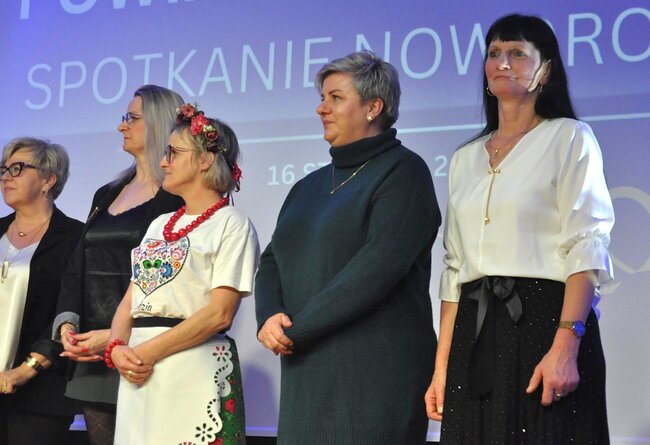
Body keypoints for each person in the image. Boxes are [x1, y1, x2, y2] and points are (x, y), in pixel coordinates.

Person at [424, 14, 614, 444]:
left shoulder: (570, 137)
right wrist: (441, 368)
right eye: (494, 53)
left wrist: (567, 344)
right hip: (475, 331)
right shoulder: (465, 158)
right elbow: (455, 270)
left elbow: (587, 244)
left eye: (517, 53)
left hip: (546, 322)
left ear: (545, 70)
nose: (502, 62)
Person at [255, 51, 441, 444]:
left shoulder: (404, 172)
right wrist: (269, 315)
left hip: (374, 378)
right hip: (307, 375)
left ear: (374, 107)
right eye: (322, 98)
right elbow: (272, 259)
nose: (321, 108)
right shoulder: (306, 186)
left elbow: (376, 269)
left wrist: (298, 329)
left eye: (336, 98)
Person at [109, 103, 259, 445]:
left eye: (173, 153)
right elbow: (130, 301)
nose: (164, 162)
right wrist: (117, 347)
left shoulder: (231, 224)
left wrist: (146, 352)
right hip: (139, 371)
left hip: (190, 369)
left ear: (205, 159)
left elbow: (220, 313)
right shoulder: (159, 224)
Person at [54, 85, 184, 445]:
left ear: (159, 123)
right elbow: (77, 265)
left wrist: (115, 336)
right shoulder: (107, 193)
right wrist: (68, 324)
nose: (121, 126)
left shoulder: (176, 197)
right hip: (91, 354)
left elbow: (169, 280)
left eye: (132, 118)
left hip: (142, 348)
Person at [0, 138, 83, 445]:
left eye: (18, 168)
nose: (6, 177)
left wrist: (26, 369)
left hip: (41, 393)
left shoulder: (75, 237)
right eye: (4, 169)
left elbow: (71, 309)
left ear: (49, 180)